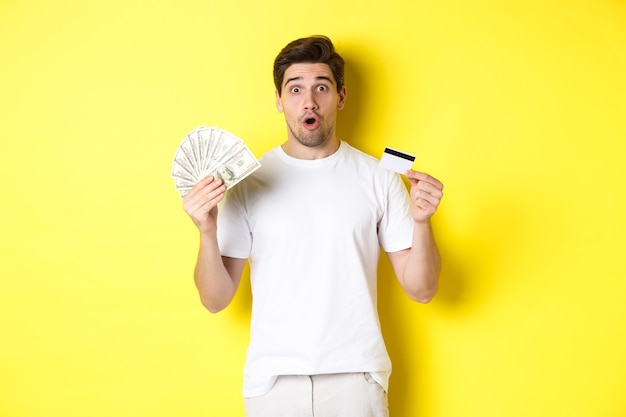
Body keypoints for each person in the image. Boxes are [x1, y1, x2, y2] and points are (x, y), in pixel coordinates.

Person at [182, 35, 444, 417]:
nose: (309, 101)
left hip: (356, 377)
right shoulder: (248, 182)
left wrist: (422, 223)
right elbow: (215, 299)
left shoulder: (378, 177)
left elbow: (422, 290)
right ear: (279, 100)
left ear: (340, 97)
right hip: (274, 382)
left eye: (321, 87)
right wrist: (206, 231)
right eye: (295, 89)